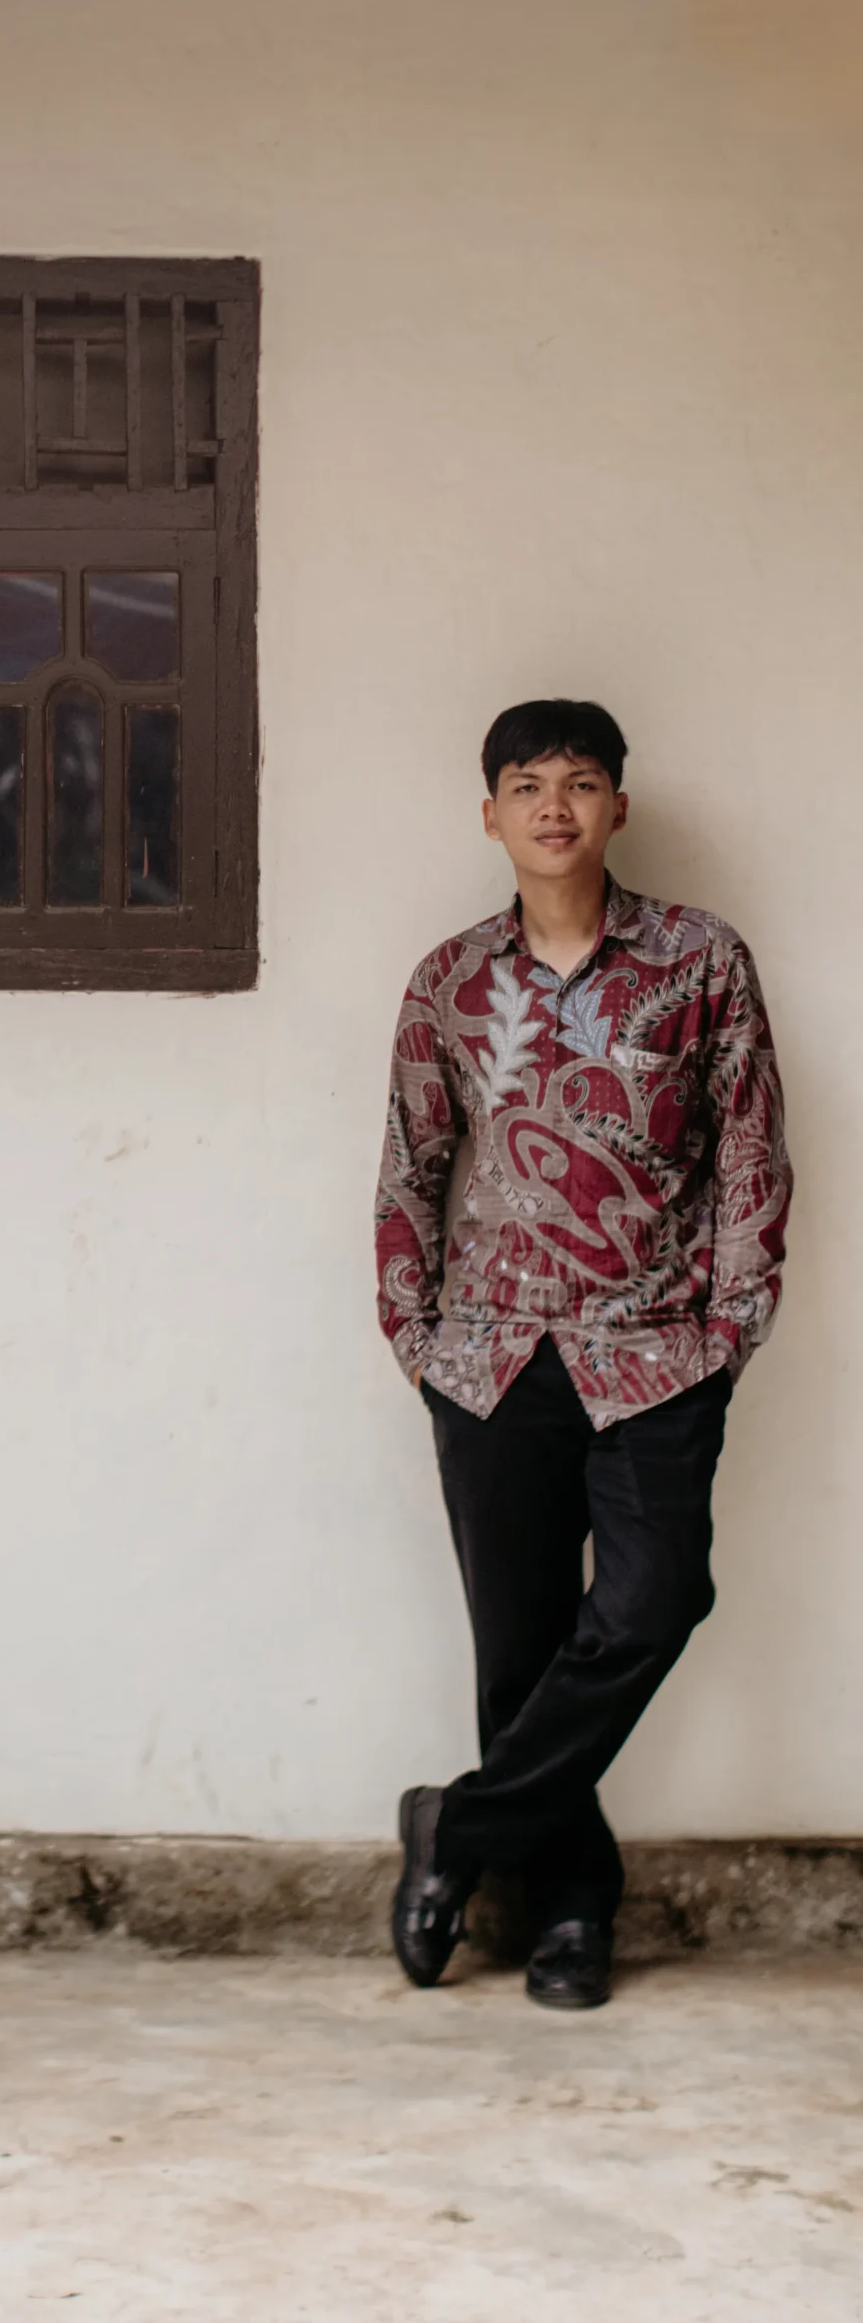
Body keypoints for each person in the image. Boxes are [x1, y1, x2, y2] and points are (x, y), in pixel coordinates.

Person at [375, 701, 789, 2010]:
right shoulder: (450, 982)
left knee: (657, 1600)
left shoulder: (700, 960)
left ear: (618, 806)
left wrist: (729, 1331)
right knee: (521, 1649)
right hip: (489, 1361)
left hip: (658, 1353)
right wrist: (414, 1337)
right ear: (489, 813)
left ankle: (457, 1827)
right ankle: (567, 1912)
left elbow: (751, 1149)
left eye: (580, 782)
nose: (553, 806)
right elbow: (411, 1165)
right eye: (527, 784)